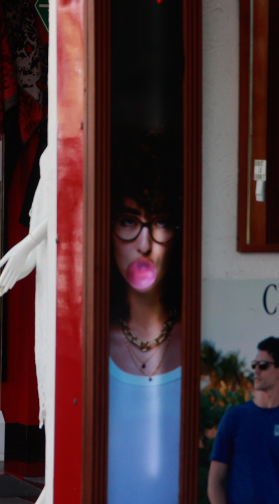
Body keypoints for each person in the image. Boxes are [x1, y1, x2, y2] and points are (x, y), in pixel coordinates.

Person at [107, 138, 183, 504]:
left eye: (161, 222)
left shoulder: (198, 338)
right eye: (128, 221)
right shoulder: (94, 343)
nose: (144, 242)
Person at [208, 337, 279, 504]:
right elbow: (214, 482)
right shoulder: (234, 418)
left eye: (263, 365)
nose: (256, 370)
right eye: (254, 365)